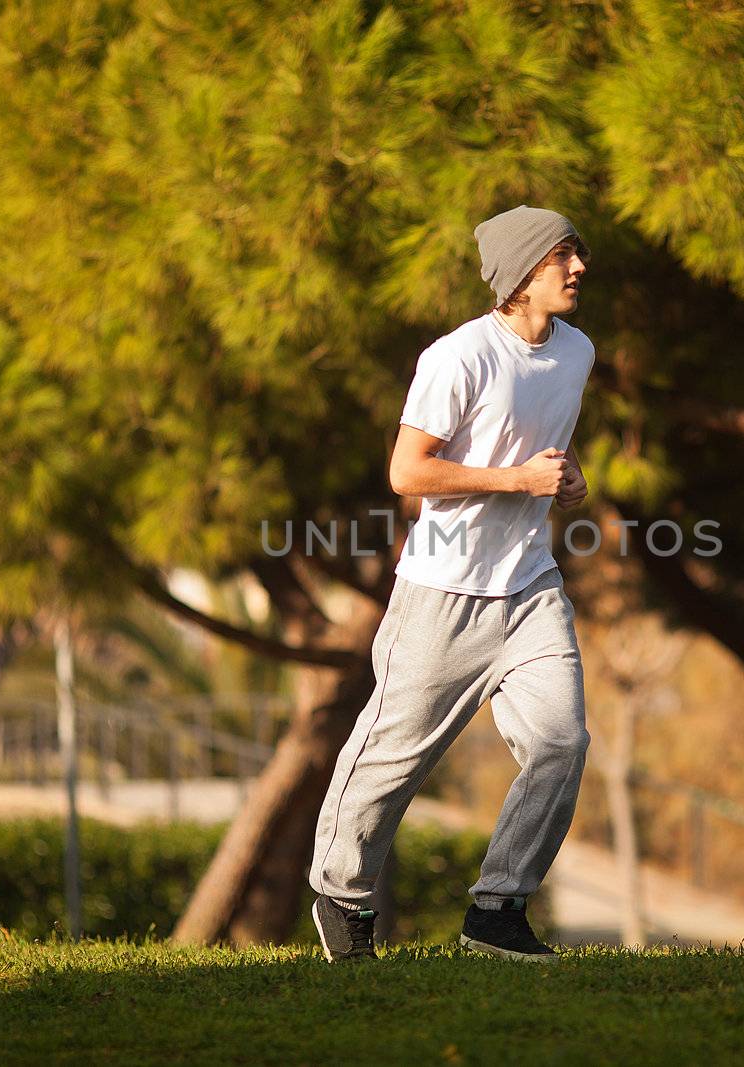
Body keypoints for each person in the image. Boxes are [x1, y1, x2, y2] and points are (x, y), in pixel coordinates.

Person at [308, 205, 594, 962]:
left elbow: (542, 451)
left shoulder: (578, 352)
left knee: (561, 741)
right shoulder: (458, 357)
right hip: (442, 593)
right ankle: (342, 894)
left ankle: (497, 909)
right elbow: (407, 472)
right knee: (393, 757)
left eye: (578, 256)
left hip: (531, 588)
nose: (578, 269)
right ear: (520, 272)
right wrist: (515, 479)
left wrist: (566, 480)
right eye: (562, 256)